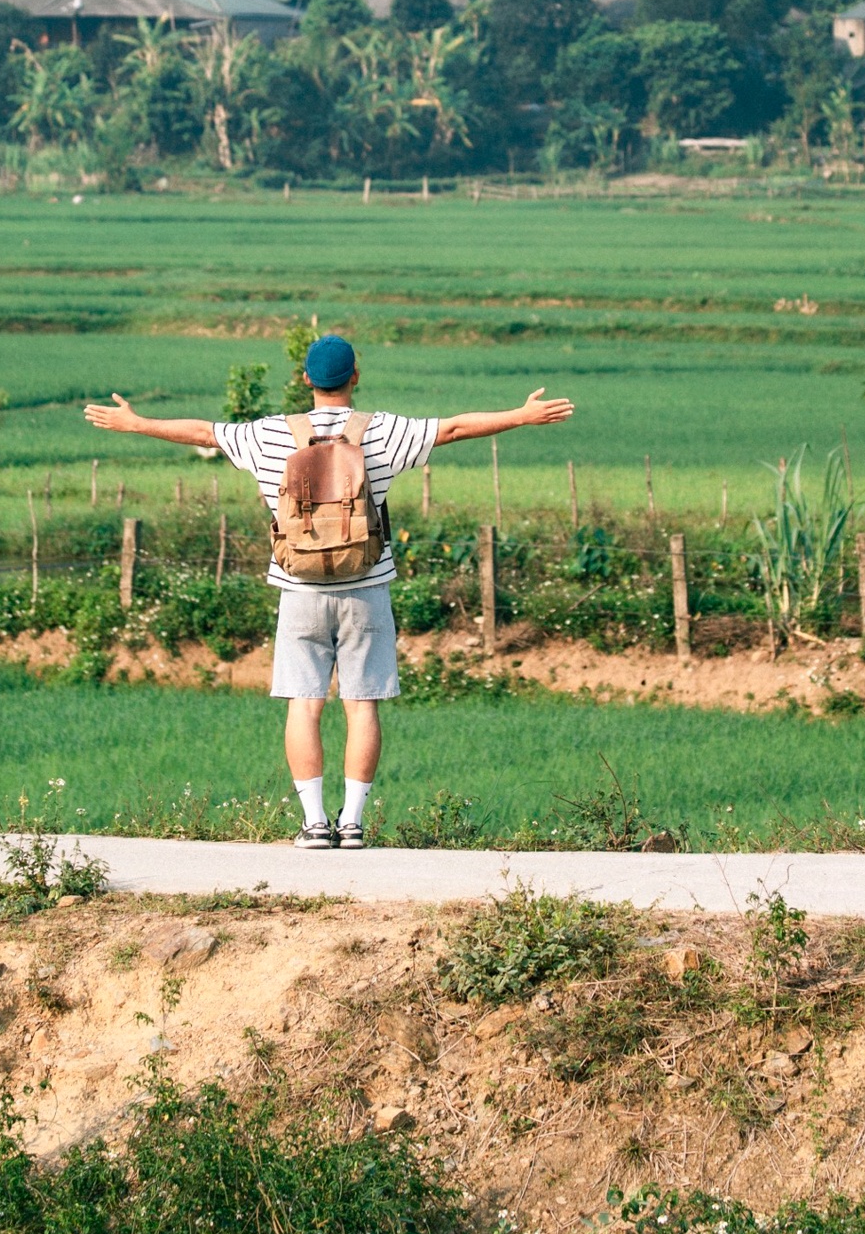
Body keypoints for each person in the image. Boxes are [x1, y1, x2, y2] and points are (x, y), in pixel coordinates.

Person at [84, 334, 573, 848]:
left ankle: (315, 823)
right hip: (367, 587)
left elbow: (204, 433)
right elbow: (453, 427)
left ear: (306, 380)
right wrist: (522, 415)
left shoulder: (269, 434)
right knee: (362, 705)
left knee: (305, 704)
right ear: (355, 376)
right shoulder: (383, 431)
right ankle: (353, 823)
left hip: (298, 589)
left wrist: (136, 423)